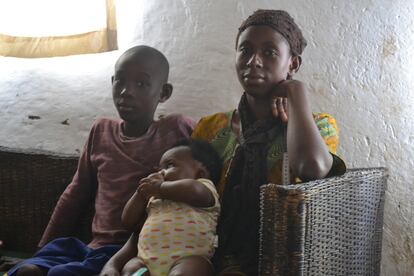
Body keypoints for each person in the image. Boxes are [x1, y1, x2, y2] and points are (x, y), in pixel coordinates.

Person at [6, 45, 196, 276]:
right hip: (91, 247)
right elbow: (76, 193)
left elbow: (206, 173)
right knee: (27, 270)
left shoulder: (176, 129)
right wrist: (42, 249)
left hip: (134, 252)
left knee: (61, 274)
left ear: (164, 93)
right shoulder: (101, 131)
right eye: (120, 81)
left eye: (141, 84)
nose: (126, 91)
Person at [191, 9, 347, 275]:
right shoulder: (210, 128)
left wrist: (296, 93)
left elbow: (311, 167)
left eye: (269, 52)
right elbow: (183, 198)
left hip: (284, 263)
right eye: (245, 50)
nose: (253, 61)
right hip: (207, 258)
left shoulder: (320, 126)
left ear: (293, 64)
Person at [105, 138, 221, 276]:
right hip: (146, 264)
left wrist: (158, 187)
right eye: (159, 169)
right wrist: (141, 193)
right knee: (132, 267)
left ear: (200, 174)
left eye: (169, 165)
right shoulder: (155, 201)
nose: (160, 173)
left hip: (185, 262)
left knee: (196, 265)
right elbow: (128, 222)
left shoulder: (203, 188)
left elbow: (194, 190)